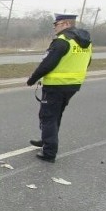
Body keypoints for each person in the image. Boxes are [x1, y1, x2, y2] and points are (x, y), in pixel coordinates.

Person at [26, 13, 92, 163]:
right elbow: (88, 62)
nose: (55, 27)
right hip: (73, 85)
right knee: (56, 115)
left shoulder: (63, 41)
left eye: (56, 24)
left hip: (56, 85)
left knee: (48, 116)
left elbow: (48, 63)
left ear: (66, 24)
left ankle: (49, 152)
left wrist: (32, 79)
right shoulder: (85, 42)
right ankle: (46, 140)